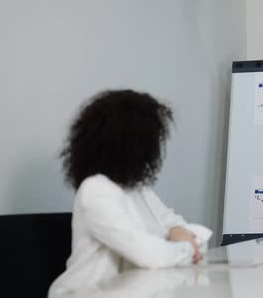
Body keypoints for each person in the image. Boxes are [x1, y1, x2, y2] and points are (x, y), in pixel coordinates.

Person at [49, 89, 211, 297]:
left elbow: (174, 224)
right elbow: (149, 255)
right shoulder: (96, 190)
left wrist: (178, 232)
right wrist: (187, 248)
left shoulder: (138, 189)